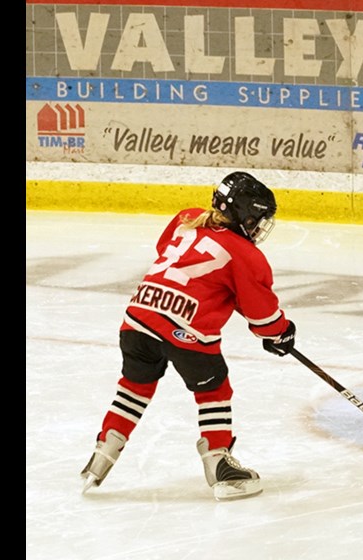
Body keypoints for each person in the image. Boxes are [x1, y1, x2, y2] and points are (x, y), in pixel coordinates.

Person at [80, 171, 297, 500]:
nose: (257, 228)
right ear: (244, 214)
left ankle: (103, 453)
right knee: (214, 390)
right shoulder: (246, 255)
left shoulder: (188, 219)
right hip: (186, 329)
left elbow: (171, 256)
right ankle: (218, 465)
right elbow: (263, 317)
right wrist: (282, 332)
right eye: (256, 219)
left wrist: (224, 292)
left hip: (137, 317)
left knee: (135, 387)